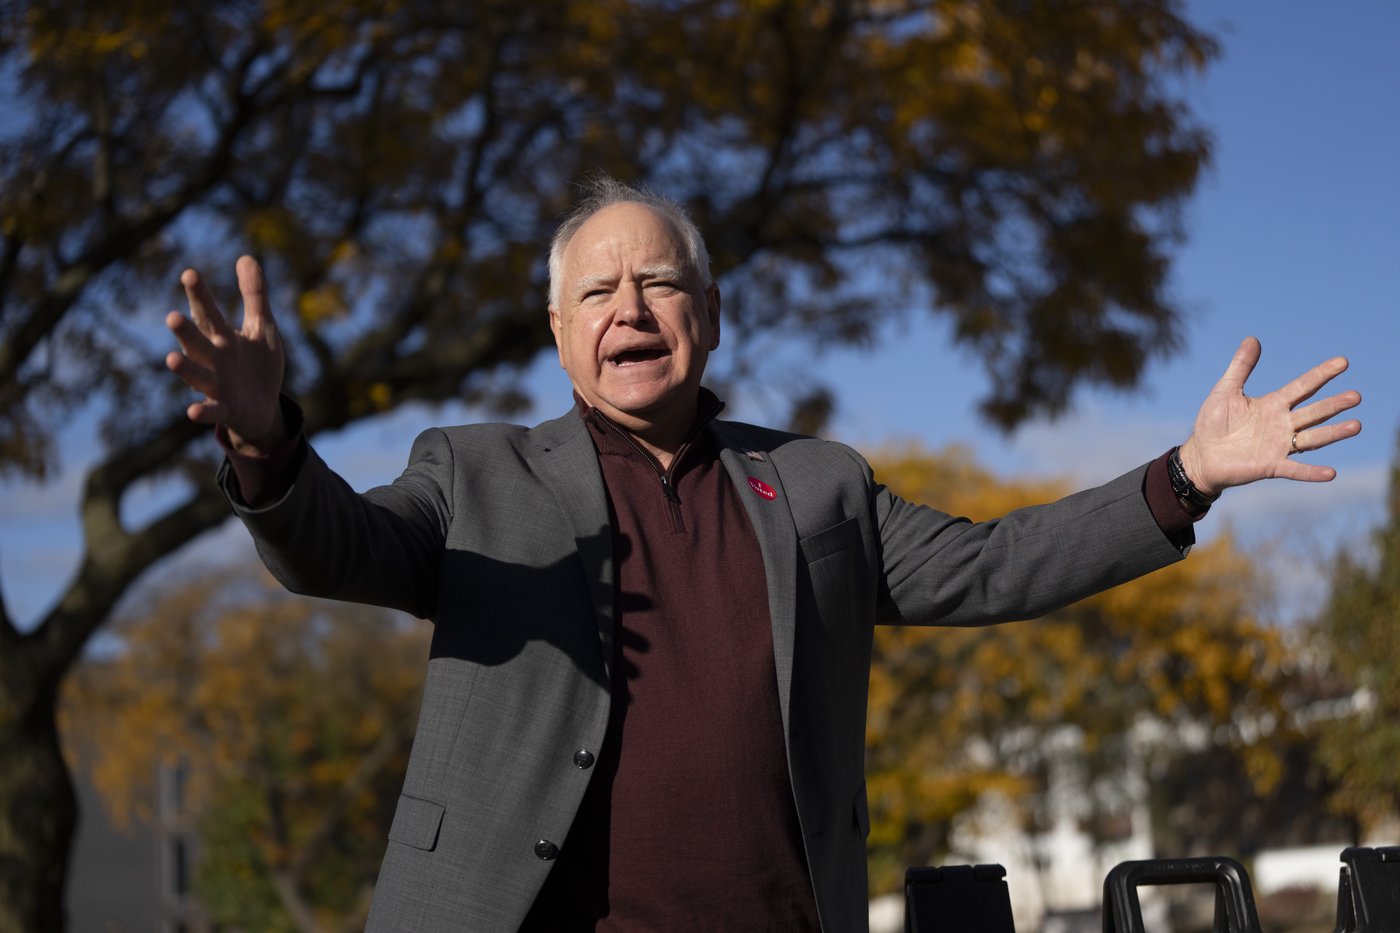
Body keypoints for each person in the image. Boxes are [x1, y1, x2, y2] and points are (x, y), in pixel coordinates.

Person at [165, 177, 1361, 932]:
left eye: (657, 282)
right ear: (559, 334)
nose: (627, 309)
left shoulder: (820, 484)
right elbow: (338, 548)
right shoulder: (475, 474)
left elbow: (994, 563)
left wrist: (1188, 474)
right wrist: (268, 443)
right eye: (596, 292)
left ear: (708, 313)